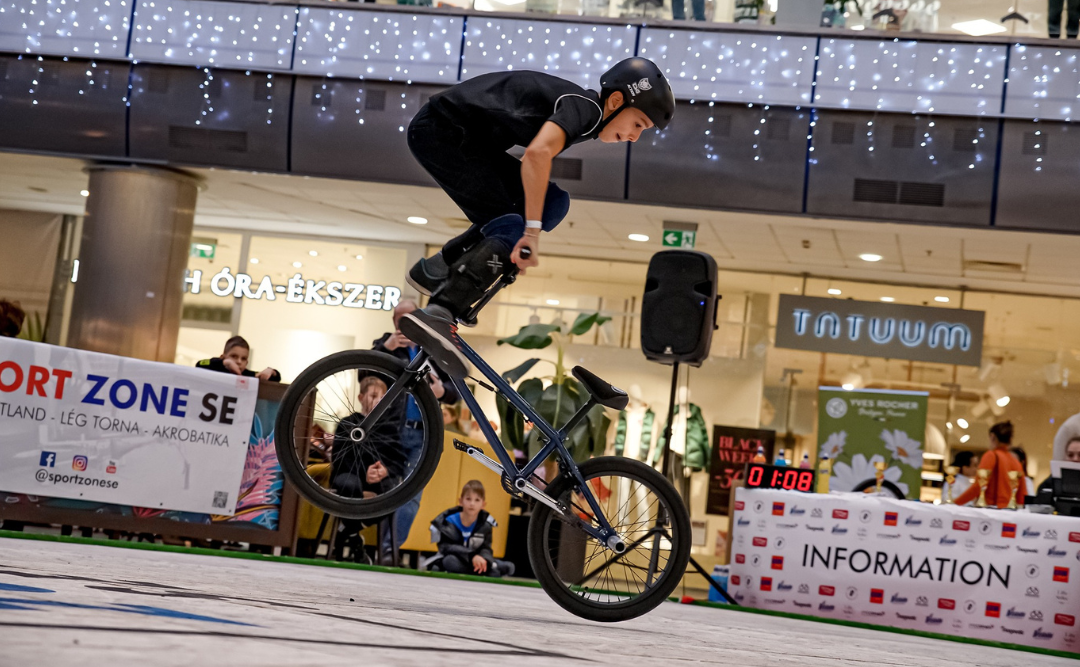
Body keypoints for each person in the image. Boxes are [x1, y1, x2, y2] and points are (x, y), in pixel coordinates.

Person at [398, 58, 675, 379]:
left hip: (464, 139)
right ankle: (440, 310)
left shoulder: (584, 112)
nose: (634, 137)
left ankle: (437, 269)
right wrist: (530, 233)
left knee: (554, 202)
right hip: (443, 133)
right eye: (638, 124)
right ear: (616, 101)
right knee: (513, 227)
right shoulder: (584, 108)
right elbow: (537, 155)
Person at [372, 299, 460, 563]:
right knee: (387, 493)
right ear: (394, 323)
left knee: (411, 496)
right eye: (401, 321)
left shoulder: (432, 348)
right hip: (390, 433)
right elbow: (364, 374)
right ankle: (381, 548)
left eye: (411, 319)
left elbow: (455, 391)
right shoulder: (384, 346)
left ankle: (388, 551)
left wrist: (441, 391)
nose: (406, 326)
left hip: (423, 434)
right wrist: (384, 349)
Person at [331, 376, 406, 563]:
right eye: (373, 396)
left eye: (382, 398)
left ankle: (347, 531)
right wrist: (365, 472)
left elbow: (398, 461)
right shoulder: (347, 423)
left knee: (395, 493)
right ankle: (354, 537)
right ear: (360, 397)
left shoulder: (389, 428)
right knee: (349, 485)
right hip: (349, 475)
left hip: (378, 481)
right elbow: (338, 459)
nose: (378, 401)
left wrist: (384, 471)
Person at [429, 480, 514, 578]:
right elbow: (446, 547)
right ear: (461, 501)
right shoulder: (447, 521)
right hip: (458, 557)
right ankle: (490, 568)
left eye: (477, 500)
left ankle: (486, 566)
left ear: (483, 504)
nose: (472, 503)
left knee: (508, 566)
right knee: (449, 561)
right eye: (468, 499)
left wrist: (484, 559)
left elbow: (486, 548)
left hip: (477, 559)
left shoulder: (485, 524)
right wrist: (471, 556)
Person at [954, 421, 1025, 508]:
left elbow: (978, 486)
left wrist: (955, 504)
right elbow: (1022, 494)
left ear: (992, 436)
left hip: (991, 510)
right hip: (1010, 512)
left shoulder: (991, 456)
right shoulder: (1016, 463)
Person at [195, 336, 280, 382]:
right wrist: (224, 363)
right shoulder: (215, 368)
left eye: (243, 358)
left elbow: (275, 378)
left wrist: (271, 371)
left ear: (246, 363)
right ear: (222, 357)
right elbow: (200, 364)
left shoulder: (248, 376)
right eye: (234, 356)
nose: (239, 361)